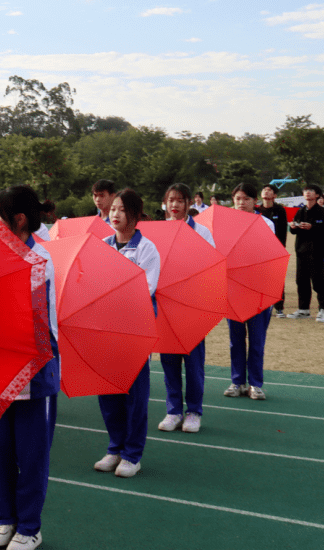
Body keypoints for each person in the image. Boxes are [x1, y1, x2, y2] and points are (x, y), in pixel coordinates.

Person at [0, 185, 59, 550]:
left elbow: (27, 318)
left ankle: (29, 526)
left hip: (35, 369)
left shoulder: (39, 260)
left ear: (19, 220)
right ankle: (6, 519)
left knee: (30, 454)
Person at [96, 189, 159, 479]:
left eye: (121, 210)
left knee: (134, 396)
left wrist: (112, 294)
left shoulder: (147, 249)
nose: (115, 214)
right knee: (108, 393)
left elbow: (143, 291)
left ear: (134, 215)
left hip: (133, 333)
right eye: (113, 210)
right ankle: (115, 448)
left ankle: (133, 454)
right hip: (105, 332)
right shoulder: (103, 246)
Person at [156, 183, 215, 435]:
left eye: (180, 200)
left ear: (189, 203)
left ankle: (194, 411)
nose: (175, 205)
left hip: (191, 307)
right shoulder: (156, 231)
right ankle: (173, 411)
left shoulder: (202, 231)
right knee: (168, 361)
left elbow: (210, 266)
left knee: (193, 363)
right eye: (171, 200)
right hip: (164, 306)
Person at [225, 183, 277, 399]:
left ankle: (255, 383)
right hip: (233, 290)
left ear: (254, 201)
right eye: (238, 198)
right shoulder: (225, 224)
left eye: (246, 198)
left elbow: (266, 255)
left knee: (256, 341)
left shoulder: (266, 223)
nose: (241, 202)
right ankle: (237, 381)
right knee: (235, 340)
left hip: (258, 290)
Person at [287, 184, 324, 322]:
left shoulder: (323, 212)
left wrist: (312, 227)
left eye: (311, 191)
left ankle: (323, 309)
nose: (307, 193)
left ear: (317, 195)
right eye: (306, 191)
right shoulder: (300, 211)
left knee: (318, 282)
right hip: (301, 251)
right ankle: (303, 309)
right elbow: (294, 231)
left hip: (316, 251)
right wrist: (293, 227)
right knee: (301, 281)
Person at [257, 185, 289, 317]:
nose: (266, 191)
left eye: (269, 190)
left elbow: (282, 232)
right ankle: (261, 305)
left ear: (274, 195)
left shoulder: (280, 210)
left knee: (276, 279)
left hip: (275, 249)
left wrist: (279, 249)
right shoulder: (256, 210)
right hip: (258, 250)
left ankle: (279, 308)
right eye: (264, 189)